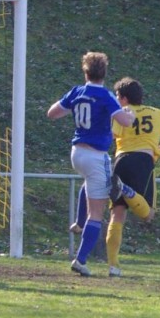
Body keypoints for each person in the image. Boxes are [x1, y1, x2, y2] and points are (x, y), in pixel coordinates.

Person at [47, 51, 135, 277]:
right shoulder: (106, 96)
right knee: (96, 214)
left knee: (89, 183)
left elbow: (52, 113)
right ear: (104, 73)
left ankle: (78, 222)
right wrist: (129, 113)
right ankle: (81, 259)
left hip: (77, 153)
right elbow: (124, 121)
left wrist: (72, 107)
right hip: (96, 155)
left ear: (85, 72)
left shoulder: (77, 92)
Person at [101, 77, 160, 277]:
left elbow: (111, 135)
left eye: (118, 97)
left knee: (117, 214)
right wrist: (157, 149)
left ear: (124, 98)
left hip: (121, 161)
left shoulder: (121, 114)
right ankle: (128, 191)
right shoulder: (157, 114)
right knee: (148, 215)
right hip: (143, 162)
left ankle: (113, 266)